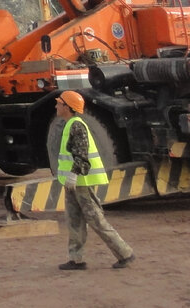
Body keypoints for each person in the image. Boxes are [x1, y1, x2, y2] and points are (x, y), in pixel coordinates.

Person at [54, 90, 136, 271]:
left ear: (67, 107)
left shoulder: (76, 126)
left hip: (81, 183)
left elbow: (82, 156)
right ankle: (76, 259)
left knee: (96, 220)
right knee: (74, 220)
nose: (56, 106)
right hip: (73, 184)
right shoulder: (70, 124)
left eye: (59, 103)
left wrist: (74, 174)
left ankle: (125, 253)